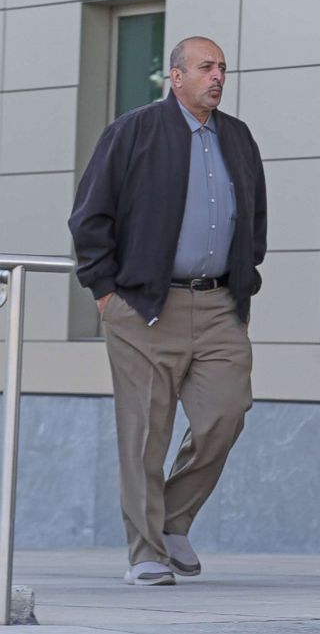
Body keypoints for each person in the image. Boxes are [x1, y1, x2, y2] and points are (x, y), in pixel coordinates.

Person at [68, 36, 267, 586]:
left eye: (223, 68)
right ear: (175, 76)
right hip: (144, 306)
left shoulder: (237, 137)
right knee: (144, 433)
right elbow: (90, 216)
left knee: (226, 413)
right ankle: (147, 553)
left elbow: (255, 218)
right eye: (206, 67)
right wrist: (105, 293)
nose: (218, 76)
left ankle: (174, 519)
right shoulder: (133, 131)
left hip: (220, 304)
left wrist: (244, 280)